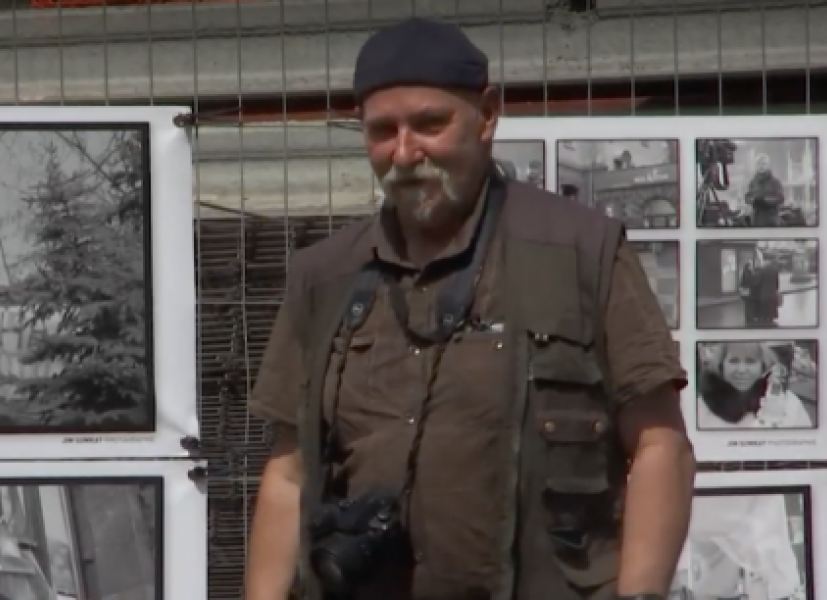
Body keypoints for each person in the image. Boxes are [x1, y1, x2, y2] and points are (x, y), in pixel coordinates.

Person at [245, 17, 694, 600]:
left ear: (486, 115)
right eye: (382, 131)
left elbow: (661, 446)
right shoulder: (323, 277)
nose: (405, 152)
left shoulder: (583, 251)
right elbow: (288, 474)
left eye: (429, 124)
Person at [697, 341, 814, 429]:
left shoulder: (789, 403)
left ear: (763, 366)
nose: (742, 370)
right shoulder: (702, 407)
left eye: (750, 361)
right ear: (721, 365)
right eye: (734, 361)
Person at [743, 154, 785, 227]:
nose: (761, 166)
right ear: (756, 165)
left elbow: (780, 198)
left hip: (771, 219)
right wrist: (753, 200)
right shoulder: (753, 182)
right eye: (759, 164)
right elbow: (747, 197)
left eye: (764, 164)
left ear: (768, 165)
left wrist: (765, 200)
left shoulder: (775, 182)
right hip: (756, 219)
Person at [738, 261, 757, 325]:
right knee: (750, 305)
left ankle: (748, 318)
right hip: (749, 291)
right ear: (748, 267)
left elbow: (742, 283)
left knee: (747, 305)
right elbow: (750, 282)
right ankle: (750, 318)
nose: (751, 267)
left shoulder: (744, 273)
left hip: (745, 291)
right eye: (750, 266)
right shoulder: (748, 273)